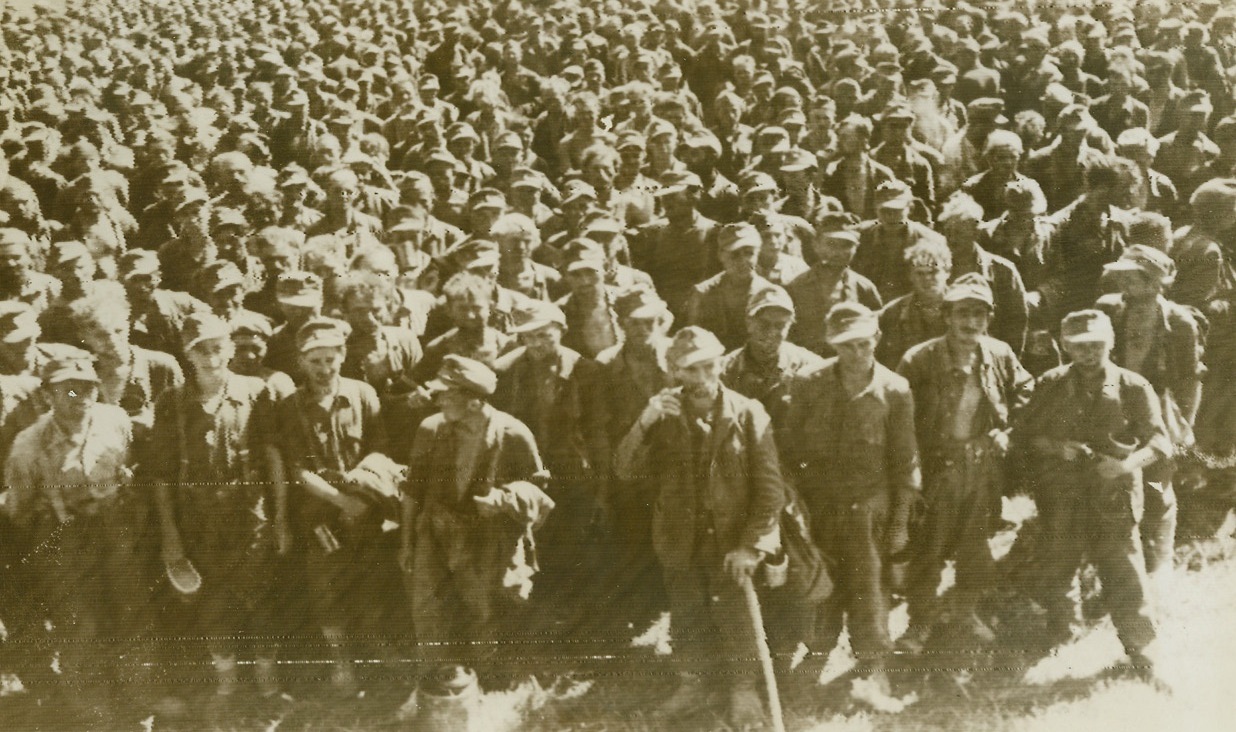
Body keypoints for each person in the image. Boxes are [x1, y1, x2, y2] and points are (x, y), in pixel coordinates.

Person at [615, 326, 785, 728]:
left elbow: (771, 491)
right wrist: (646, 420)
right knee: (687, 615)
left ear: (721, 364)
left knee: (737, 617)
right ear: (675, 371)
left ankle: (743, 691)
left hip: (731, 542)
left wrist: (750, 546)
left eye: (709, 366)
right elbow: (623, 469)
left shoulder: (747, 413)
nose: (702, 378)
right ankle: (693, 683)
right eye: (691, 370)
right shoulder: (662, 415)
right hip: (679, 538)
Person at [1017, 310, 1171, 688]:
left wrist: (1126, 465)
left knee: (1124, 572)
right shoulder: (1049, 384)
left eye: (1096, 345)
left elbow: (1160, 443)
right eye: (1079, 346)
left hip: (1113, 497)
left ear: (1111, 343)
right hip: (1063, 496)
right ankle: (1062, 635)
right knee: (1058, 565)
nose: (1088, 354)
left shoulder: (1133, 386)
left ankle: (1141, 649)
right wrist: (1056, 447)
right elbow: (1023, 435)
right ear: (1066, 346)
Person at [782, 302, 919, 708]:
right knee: (817, 583)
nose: (856, 354)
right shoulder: (808, 382)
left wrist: (900, 523)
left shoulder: (895, 389)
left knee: (870, 589)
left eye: (863, 344)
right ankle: (815, 657)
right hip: (818, 509)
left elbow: (906, 461)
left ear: (876, 339)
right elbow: (788, 449)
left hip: (869, 511)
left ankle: (871, 670)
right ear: (831, 345)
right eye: (846, 346)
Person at [895, 275, 1033, 662]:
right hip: (937, 468)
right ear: (946, 316)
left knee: (975, 546)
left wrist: (1007, 431)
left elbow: (1026, 393)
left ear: (988, 318)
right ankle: (918, 623)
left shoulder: (1000, 354)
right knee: (930, 548)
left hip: (982, 468)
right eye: (962, 313)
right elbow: (899, 413)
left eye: (978, 314)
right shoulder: (919, 359)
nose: (970, 323)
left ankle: (964, 612)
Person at [149, 313, 282, 705]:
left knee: (262, 599)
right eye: (201, 350)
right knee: (213, 604)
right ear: (188, 355)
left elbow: (274, 458)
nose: (211, 358)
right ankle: (227, 682)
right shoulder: (172, 402)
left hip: (250, 516)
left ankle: (267, 678)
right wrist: (171, 537)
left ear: (230, 348)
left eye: (217, 347)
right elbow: (161, 475)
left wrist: (280, 518)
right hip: (197, 522)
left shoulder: (256, 391)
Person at [399, 355, 549, 683]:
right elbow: (412, 490)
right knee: (429, 609)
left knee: (485, 610)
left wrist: (504, 500)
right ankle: (441, 684)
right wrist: (407, 541)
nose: (437, 401)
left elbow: (538, 493)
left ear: (473, 401)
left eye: (445, 395)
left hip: (489, 538)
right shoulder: (431, 429)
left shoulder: (513, 434)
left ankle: (490, 682)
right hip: (436, 532)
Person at [4, 349, 133, 721]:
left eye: (88, 388)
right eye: (68, 391)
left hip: (116, 531)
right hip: (64, 541)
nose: (80, 398)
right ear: (48, 395)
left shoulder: (115, 420)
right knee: (80, 627)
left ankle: (134, 703)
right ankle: (90, 713)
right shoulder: (28, 446)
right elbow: (19, 510)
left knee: (128, 615)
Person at [271, 317, 398, 693]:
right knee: (328, 590)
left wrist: (359, 494)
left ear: (342, 356)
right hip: (320, 515)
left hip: (365, 509)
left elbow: (379, 448)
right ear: (301, 363)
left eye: (330, 359)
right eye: (315, 362)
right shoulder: (290, 406)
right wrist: (339, 499)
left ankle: (375, 649)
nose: (324, 369)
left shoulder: (362, 394)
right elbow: (295, 469)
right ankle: (342, 663)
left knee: (372, 582)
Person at [1097, 246, 1204, 583]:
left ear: (1156, 283)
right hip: (1111, 404)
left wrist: (1184, 425)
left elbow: (1189, 380)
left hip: (1158, 408)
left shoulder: (1179, 323)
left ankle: (1159, 563)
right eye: (1123, 278)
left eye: (1134, 278)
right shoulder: (1109, 310)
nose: (1126, 285)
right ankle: (1114, 559)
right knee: (1111, 480)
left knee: (1157, 484)